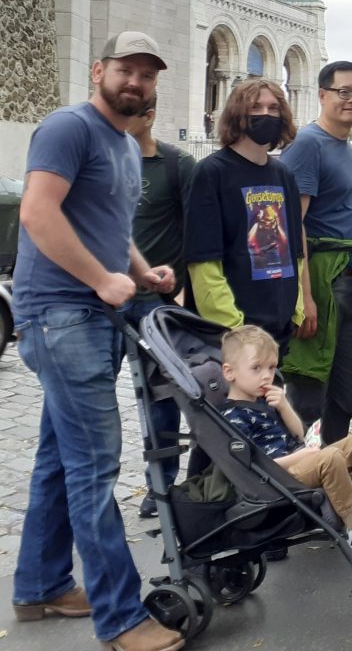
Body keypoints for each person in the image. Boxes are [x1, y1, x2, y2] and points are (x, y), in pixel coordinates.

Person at [11, 32, 183, 651]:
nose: (136, 81)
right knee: (93, 466)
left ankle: (40, 586)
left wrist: (138, 273)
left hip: (93, 312)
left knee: (60, 458)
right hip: (61, 314)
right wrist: (100, 279)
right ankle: (121, 619)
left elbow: (109, 225)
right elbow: (38, 212)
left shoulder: (124, 143)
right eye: (125, 69)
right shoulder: (69, 127)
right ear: (98, 70)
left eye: (147, 73)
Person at [219, 325, 352, 558]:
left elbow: (298, 433)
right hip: (274, 478)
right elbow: (250, 465)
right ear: (230, 373)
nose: (266, 376)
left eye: (271, 367)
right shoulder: (232, 417)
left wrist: (284, 405)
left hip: (299, 462)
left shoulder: (263, 401)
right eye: (256, 368)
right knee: (330, 457)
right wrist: (300, 456)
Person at [280, 61, 352, 443]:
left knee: (344, 391)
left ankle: (331, 473)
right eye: (345, 92)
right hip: (325, 283)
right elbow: (292, 226)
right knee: (309, 391)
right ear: (322, 94)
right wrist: (304, 297)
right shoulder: (308, 144)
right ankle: (299, 479)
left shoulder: (341, 147)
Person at [184, 80, 304, 352]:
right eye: (256, 107)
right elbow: (202, 262)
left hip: (279, 332)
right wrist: (235, 329)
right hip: (232, 338)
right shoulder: (211, 172)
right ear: (238, 113)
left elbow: (295, 250)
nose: (266, 114)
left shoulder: (284, 175)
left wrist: (295, 311)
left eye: (274, 108)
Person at [125, 95, 197, 517]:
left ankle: (161, 485)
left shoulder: (176, 165)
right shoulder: (103, 162)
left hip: (157, 304)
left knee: (162, 400)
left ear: (150, 117)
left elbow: (194, 231)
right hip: (103, 302)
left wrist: (185, 292)